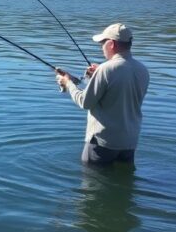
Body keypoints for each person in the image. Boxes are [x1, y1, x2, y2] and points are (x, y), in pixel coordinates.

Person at [55, 23, 150, 165]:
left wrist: (68, 83)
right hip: (129, 142)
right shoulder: (142, 69)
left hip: (102, 143)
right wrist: (94, 76)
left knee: (91, 183)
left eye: (102, 43)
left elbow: (84, 102)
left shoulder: (106, 69)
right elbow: (116, 92)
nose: (101, 47)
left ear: (111, 44)